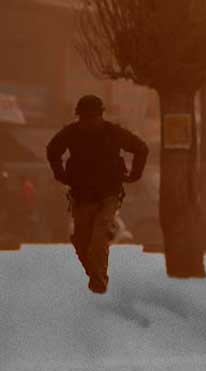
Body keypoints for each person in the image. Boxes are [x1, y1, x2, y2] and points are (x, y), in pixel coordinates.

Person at [46, 95, 148, 294]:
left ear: (100, 115)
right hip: (81, 195)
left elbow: (141, 148)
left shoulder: (114, 132)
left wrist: (135, 174)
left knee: (99, 238)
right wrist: (61, 174)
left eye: (91, 117)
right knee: (81, 241)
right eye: (84, 117)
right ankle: (95, 275)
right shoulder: (71, 133)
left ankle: (99, 281)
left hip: (108, 196)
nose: (88, 122)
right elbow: (52, 150)